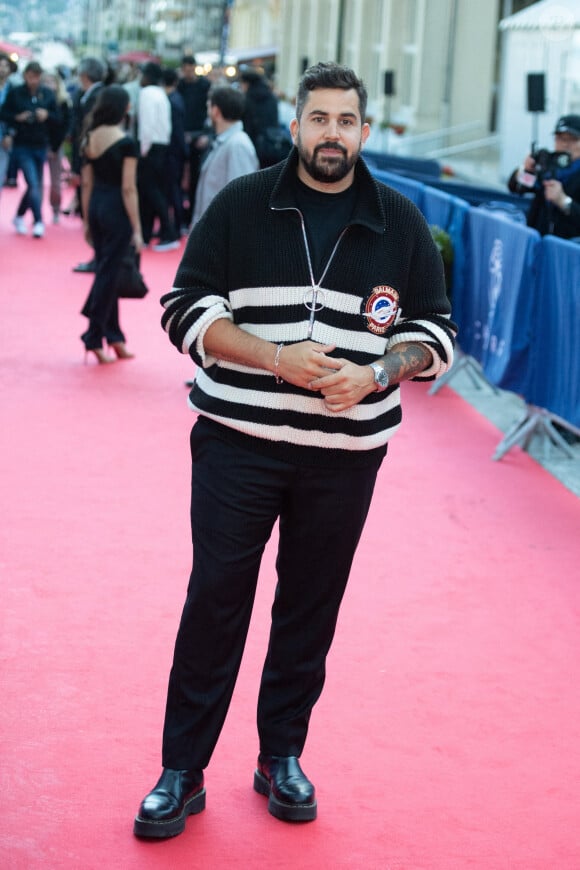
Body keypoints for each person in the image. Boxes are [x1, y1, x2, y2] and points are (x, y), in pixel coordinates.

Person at [134, 61, 456, 840]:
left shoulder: (402, 222)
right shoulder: (245, 204)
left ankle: (281, 754)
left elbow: (436, 335)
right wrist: (273, 356)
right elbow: (183, 310)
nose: (333, 136)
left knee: (309, 610)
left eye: (347, 122)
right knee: (215, 601)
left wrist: (380, 371)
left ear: (365, 131)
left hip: (344, 457)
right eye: (320, 120)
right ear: (297, 125)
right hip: (237, 444)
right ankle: (183, 769)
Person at [79, 84, 142, 364]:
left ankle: (114, 336)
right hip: (117, 210)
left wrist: (86, 220)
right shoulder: (127, 142)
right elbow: (129, 188)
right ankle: (92, 337)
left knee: (109, 271)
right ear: (124, 108)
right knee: (108, 274)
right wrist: (138, 228)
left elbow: (87, 183)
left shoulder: (90, 137)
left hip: (96, 207)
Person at [0, 60, 57, 238]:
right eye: (31, 76)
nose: (34, 80)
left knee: (35, 185)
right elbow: (4, 114)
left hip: (40, 144)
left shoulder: (47, 94)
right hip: (21, 145)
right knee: (33, 183)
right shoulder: (16, 93)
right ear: (25, 75)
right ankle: (38, 220)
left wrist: (46, 115)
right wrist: (18, 118)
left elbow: (58, 119)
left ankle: (19, 215)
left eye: (37, 77)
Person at [191, 85, 259, 226]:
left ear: (216, 111)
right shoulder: (227, 141)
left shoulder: (237, 145)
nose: (207, 111)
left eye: (209, 107)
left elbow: (242, 200)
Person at [508, 114, 580, 239]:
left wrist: (564, 201)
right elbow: (516, 187)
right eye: (559, 138)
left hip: (567, 250)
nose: (565, 144)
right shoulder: (547, 165)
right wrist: (526, 169)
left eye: (571, 139)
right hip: (537, 242)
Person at [136, 62, 179, 252]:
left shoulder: (146, 94)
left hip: (150, 147)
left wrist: (143, 150)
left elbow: (147, 125)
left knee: (150, 192)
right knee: (151, 192)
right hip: (162, 146)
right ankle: (148, 234)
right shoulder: (161, 94)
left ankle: (167, 232)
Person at [69, 57, 106, 272]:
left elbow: (86, 134)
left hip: (92, 162)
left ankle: (99, 257)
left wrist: (78, 167)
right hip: (91, 160)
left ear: (84, 75)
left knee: (92, 210)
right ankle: (98, 256)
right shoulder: (91, 95)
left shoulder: (95, 98)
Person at [176, 55, 211, 227]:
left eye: (190, 68)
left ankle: (191, 215)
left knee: (196, 179)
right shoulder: (180, 86)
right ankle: (181, 215)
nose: (188, 72)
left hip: (198, 136)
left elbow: (208, 112)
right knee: (179, 177)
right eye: (185, 68)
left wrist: (205, 134)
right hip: (182, 137)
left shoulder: (204, 86)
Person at [43, 69, 72, 224]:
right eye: (45, 82)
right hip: (39, 144)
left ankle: (55, 209)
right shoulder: (38, 99)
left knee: (55, 182)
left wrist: (55, 148)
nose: (48, 85)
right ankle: (37, 212)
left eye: (51, 81)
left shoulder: (63, 102)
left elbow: (64, 127)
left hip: (56, 145)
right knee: (36, 181)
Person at [162, 67, 188, 239]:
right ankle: (175, 225)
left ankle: (177, 226)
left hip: (173, 152)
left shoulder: (172, 102)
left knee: (174, 190)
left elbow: (177, 131)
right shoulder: (175, 99)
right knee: (172, 190)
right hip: (175, 151)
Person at [238, 67, 281, 168]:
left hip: (254, 143)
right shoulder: (271, 97)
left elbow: (247, 125)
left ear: (247, 83)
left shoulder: (247, 99)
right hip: (271, 143)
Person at [0, 52, 14, 198]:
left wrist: (9, 133)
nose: (2, 69)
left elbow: (13, 114)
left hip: (4, 138)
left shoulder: (13, 89)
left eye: (5, 66)